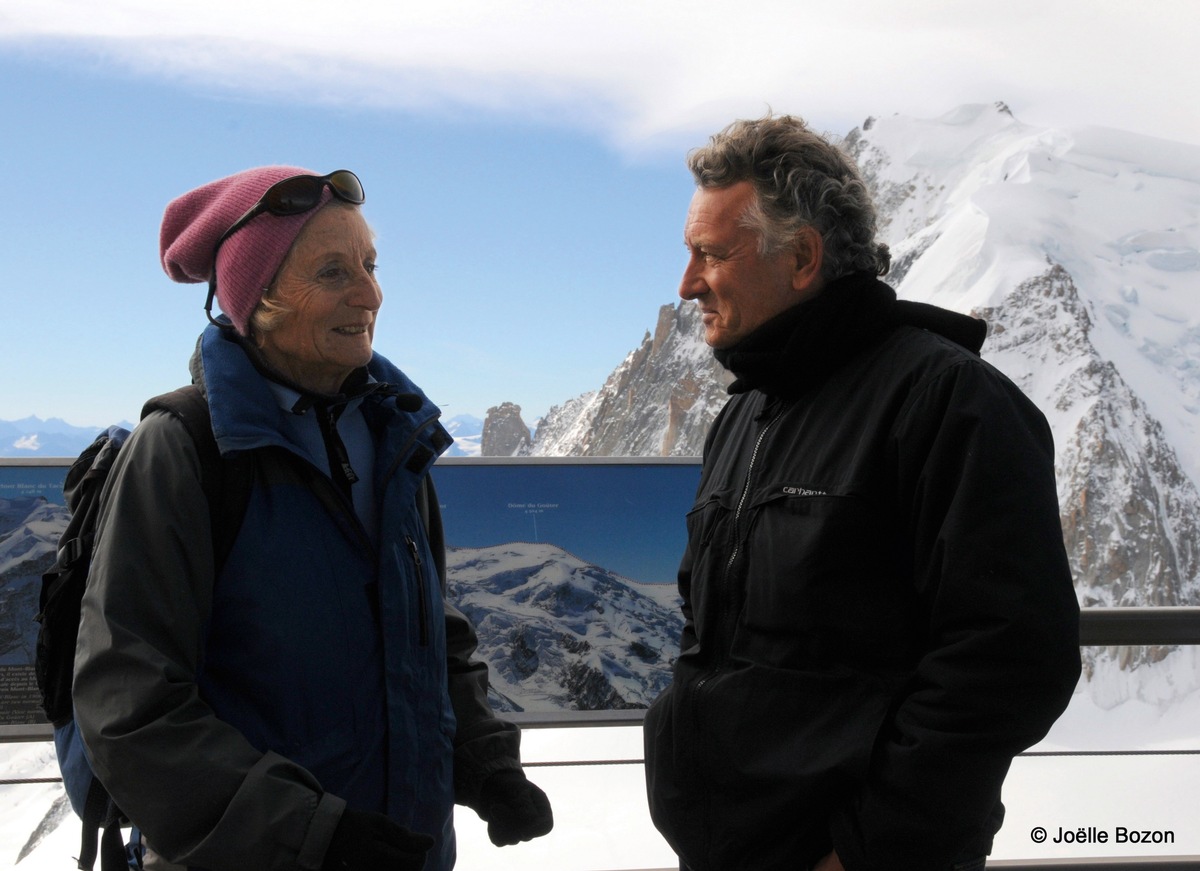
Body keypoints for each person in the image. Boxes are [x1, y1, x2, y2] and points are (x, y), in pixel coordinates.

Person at [73, 166, 553, 871]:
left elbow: (426, 635)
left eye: (370, 264)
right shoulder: (185, 451)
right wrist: (309, 835)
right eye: (334, 272)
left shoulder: (394, 435)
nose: (371, 293)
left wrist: (483, 761)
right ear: (258, 298)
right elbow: (130, 703)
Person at [643, 116, 1081, 871]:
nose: (686, 284)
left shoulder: (951, 402)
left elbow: (1011, 661)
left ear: (804, 256)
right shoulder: (745, 414)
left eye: (710, 254)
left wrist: (865, 846)